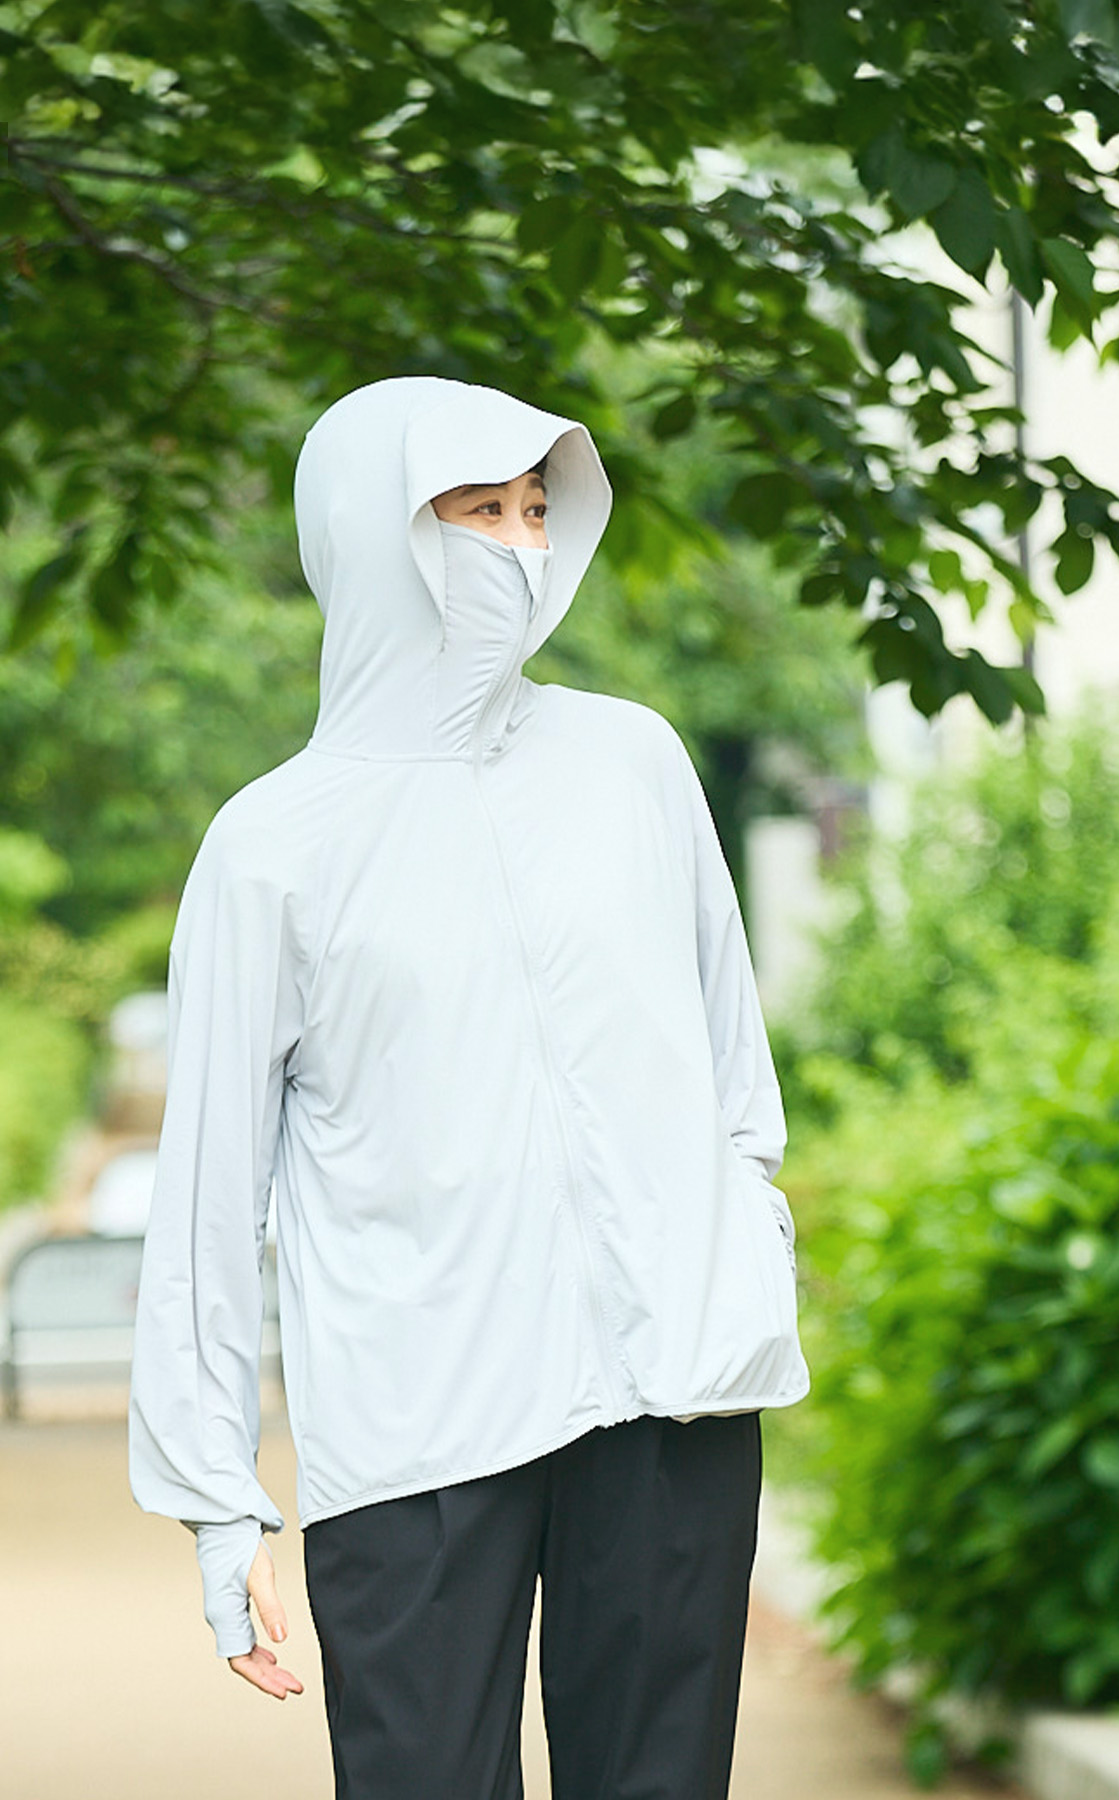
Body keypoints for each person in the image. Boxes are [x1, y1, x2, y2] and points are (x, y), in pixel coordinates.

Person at [128, 375, 811, 1800]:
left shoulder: (633, 761)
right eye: (475, 510)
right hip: (417, 1426)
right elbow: (206, 1200)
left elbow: (732, 1070)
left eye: (535, 509)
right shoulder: (273, 847)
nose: (517, 545)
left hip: (669, 1403)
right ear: (369, 534)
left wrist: (743, 1260)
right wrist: (216, 1501)